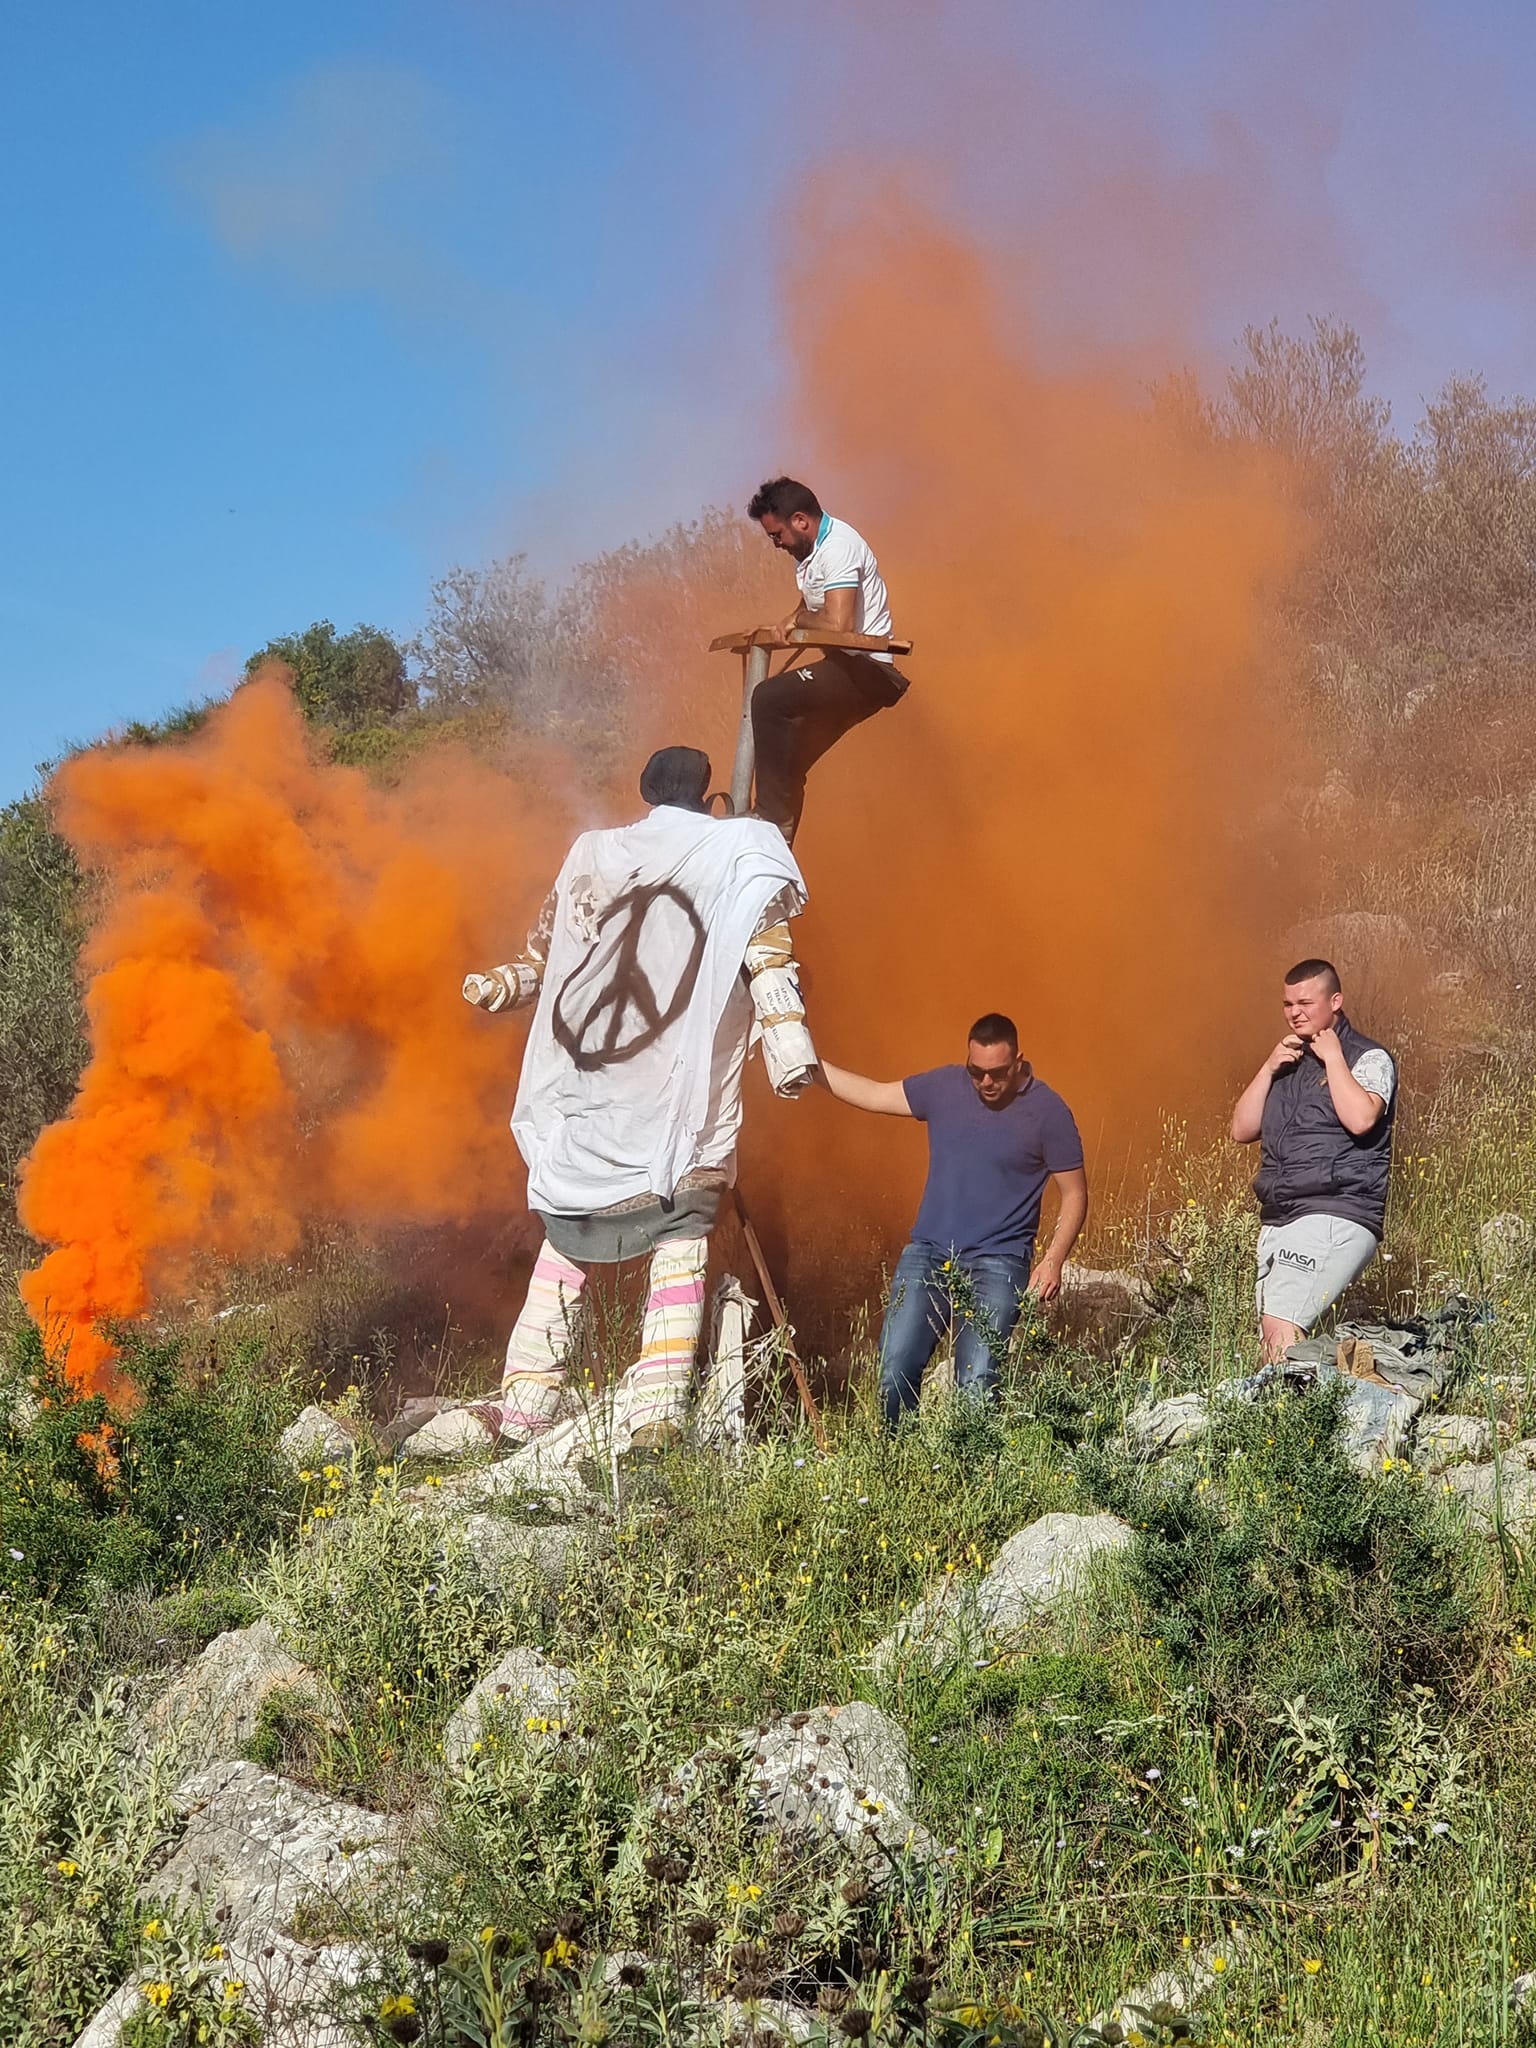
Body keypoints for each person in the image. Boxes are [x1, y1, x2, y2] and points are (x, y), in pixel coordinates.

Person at [447, 745, 817, 1452]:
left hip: (627, 1098)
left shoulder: (600, 853)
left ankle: (534, 1406)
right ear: (706, 792)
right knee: (671, 1245)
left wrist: (506, 983)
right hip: (652, 1103)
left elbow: (544, 955)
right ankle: (649, 1413)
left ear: (646, 788)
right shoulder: (735, 848)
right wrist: (786, 1041)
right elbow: (767, 957)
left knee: (574, 1251)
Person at [817, 1013, 1088, 1426]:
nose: (986, 1083)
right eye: (976, 1072)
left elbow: (1075, 1194)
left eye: (997, 1073)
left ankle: (972, 1480)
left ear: (1018, 1062)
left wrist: (1053, 1259)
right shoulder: (944, 1087)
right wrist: (803, 1063)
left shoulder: (1048, 1112)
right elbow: (872, 1094)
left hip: (999, 1263)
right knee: (893, 1372)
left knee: (977, 1384)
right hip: (927, 1253)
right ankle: (899, 1470)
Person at [1230, 958, 1397, 1363]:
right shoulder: (1287, 1063)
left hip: (1335, 1209)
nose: (1294, 1012)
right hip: (1281, 1215)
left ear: (1335, 1001)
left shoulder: (1369, 1058)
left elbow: (1361, 1119)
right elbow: (1241, 1129)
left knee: (1280, 1327)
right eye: (1287, 1004)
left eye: (1305, 1002)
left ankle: (1286, 1419)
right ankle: (1324, 1415)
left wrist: (1334, 1057)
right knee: (1282, 1337)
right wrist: (1268, 1068)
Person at [746, 476, 909, 841]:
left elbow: (838, 623)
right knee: (789, 762)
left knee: (768, 698)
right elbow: (815, 601)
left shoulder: (838, 547)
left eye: (777, 535)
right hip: (846, 667)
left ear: (800, 521)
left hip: (866, 671)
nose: (776, 545)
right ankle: (776, 850)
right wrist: (791, 618)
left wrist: (801, 619)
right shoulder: (812, 551)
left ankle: (769, 819)